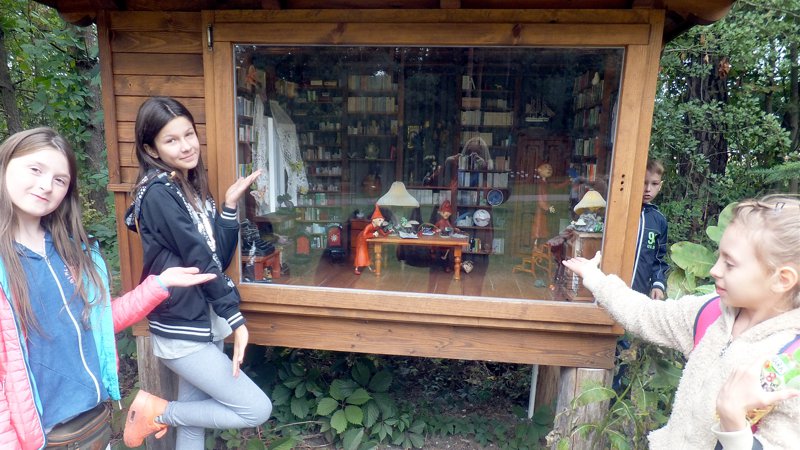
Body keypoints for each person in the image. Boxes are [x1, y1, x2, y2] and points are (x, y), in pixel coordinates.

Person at [0, 127, 218, 449]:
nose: (46, 185)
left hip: (94, 425)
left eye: (60, 180)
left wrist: (159, 284)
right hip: (39, 439)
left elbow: (99, 323)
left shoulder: (74, 252)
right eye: (35, 169)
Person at [562, 194, 800, 449]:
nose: (714, 270)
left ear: (782, 280)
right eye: (719, 257)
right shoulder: (710, 312)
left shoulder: (791, 361)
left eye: (730, 264)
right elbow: (645, 314)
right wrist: (596, 280)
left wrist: (733, 424)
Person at [123, 97, 271, 449]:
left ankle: (164, 413)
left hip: (202, 321)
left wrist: (229, 206)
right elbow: (198, 256)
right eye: (171, 140)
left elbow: (216, 257)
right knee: (255, 408)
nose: (186, 145)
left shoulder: (187, 186)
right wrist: (235, 317)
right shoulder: (158, 193)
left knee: (193, 426)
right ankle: (158, 413)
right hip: (183, 330)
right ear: (151, 149)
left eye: (188, 134)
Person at [632, 159, 669, 299]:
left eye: (654, 184)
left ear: (660, 185)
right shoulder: (623, 213)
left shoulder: (659, 221)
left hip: (640, 293)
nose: (648, 189)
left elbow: (658, 259)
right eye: (643, 182)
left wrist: (658, 284)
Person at [353, 204, 388, 275]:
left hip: (367, 239)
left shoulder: (377, 227)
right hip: (361, 239)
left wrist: (389, 232)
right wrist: (373, 234)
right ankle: (357, 268)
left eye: (381, 220)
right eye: (380, 220)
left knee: (367, 253)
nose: (381, 222)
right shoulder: (369, 226)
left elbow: (383, 234)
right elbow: (364, 235)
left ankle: (369, 267)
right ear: (374, 220)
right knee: (361, 253)